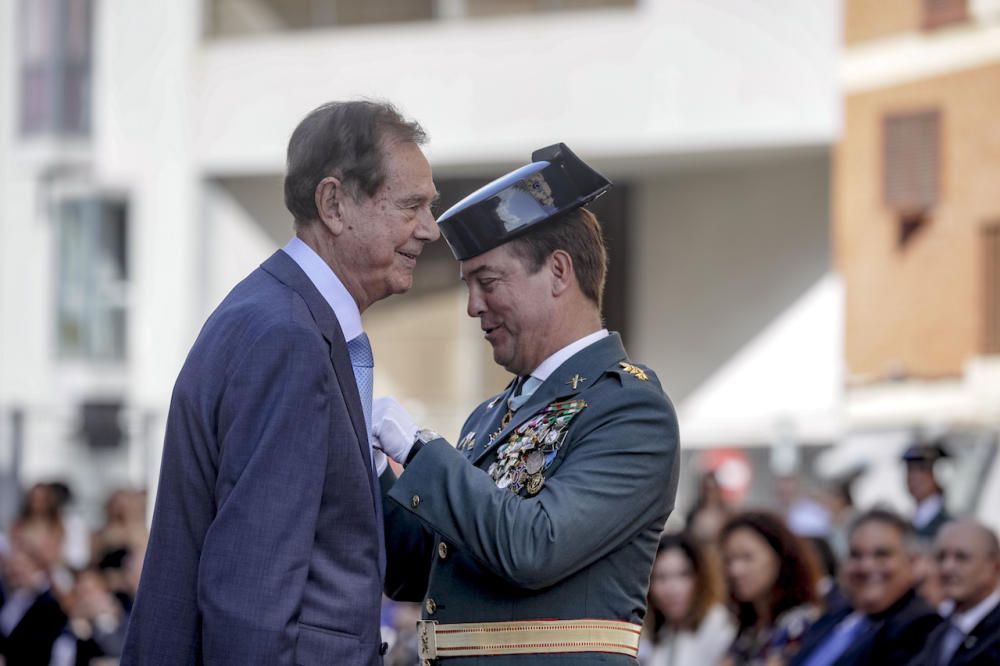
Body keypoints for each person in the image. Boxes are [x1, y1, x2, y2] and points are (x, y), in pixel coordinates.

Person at [122, 100, 439, 665]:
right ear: (334, 204)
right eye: (410, 206)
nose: (430, 230)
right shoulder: (288, 339)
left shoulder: (277, 317)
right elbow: (251, 592)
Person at [374, 143, 680, 664]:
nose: (473, 307)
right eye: (469, 286)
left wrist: (419, 448)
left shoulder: (630, 410)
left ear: (559, 272)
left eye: (488, 282)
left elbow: (533, 547)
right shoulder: (490, 416)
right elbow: (416, 569)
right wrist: (377, 466)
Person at [790, 509, 941, 666]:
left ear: (912, 562)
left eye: (882, 555)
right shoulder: (834, 614)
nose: (866, 566)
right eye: (856, 555)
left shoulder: (921, 629)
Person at [719, 511, 821, 666]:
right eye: (729, 560)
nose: (735, 570)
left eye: (747, 557)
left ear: (779, 556)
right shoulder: (749, 631)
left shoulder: (798, 626)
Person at [909, 519, 1000, 666]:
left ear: (994, 566)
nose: (947, 568)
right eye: (941, 557)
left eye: (962, 557)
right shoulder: (935, 628)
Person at [642, 532, 735, 666]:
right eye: (661, 577)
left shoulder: (720, 626)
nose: (672, 589)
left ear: (700, 578)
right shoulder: (660, 634)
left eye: (683, 574)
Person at [902, 440, 951, 541]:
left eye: (922, 469)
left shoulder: (949, 524)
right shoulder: (906, 522)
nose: (913, 477)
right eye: (910, 469)